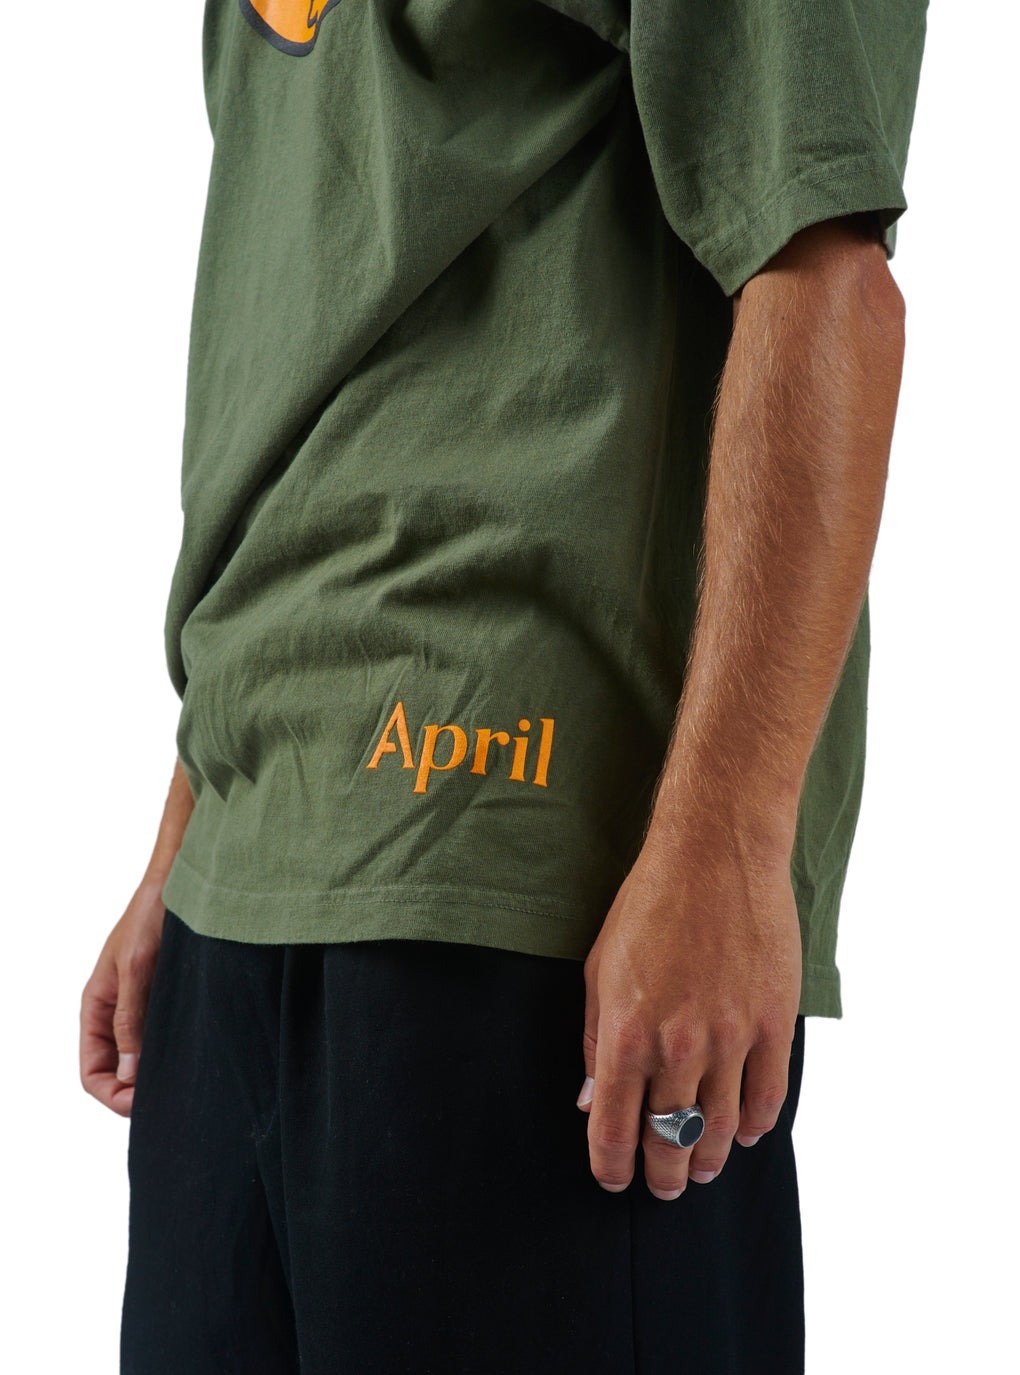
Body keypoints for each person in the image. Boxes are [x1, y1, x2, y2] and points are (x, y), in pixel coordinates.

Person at [79, 2, 928, 1370]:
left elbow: (823, 277)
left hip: (525, 879)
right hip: (247, 868)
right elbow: (332, 305)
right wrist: (193, 827)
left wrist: (728, 846)